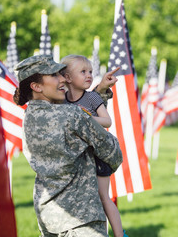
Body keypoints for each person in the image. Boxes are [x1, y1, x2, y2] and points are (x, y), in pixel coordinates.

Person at [13, 55, 123, 237]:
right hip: (83, 219)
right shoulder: (72, 115)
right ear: (36, 86)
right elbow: (113, 152)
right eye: (55, 75)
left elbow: (76, 103)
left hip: (49, 217)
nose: (63, 78)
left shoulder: (28, 118)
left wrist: (100, 91)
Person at [60, 55, 125, 237]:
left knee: (103, 197)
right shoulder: (62, 100)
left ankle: (120, 234)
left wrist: (85, 117)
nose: (89, 75)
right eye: (83, 72)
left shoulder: (92, 98)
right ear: (68, 77)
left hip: (98, 155)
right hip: (78, 158)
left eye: (90, 71)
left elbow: (107, 121)